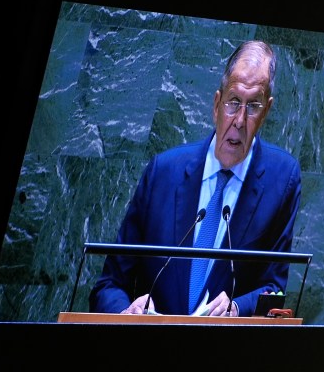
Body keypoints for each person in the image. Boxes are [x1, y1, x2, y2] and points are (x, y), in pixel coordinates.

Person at [89, 40, 302, 317]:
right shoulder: (163, 172)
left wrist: (237, 308)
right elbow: (109, 284)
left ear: (266, 112)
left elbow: (274, 289)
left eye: (253, 106)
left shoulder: (282, 179)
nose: (239, 120)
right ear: (216, 104)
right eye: (233, 102)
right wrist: (127, 311)